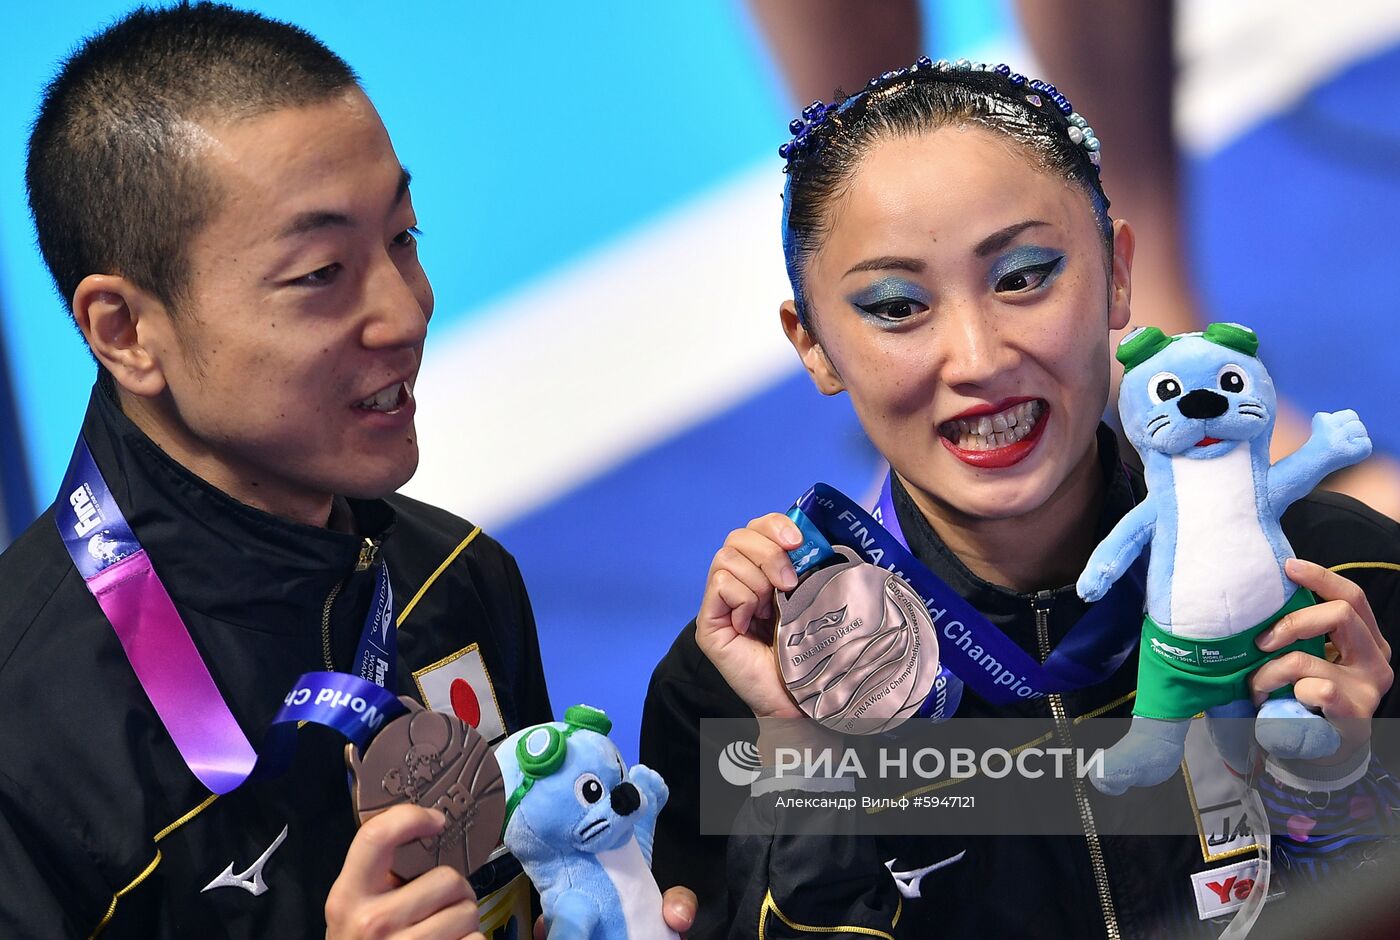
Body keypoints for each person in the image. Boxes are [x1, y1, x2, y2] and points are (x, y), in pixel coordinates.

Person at [641, 57, 1400, 938]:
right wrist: (811, 777)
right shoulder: (743, 685)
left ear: (1118, 274)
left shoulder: (1338, 578)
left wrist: (1346, 789)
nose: (979, 359)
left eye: (1023, 276)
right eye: (896, 306)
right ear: (812, 345)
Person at [0, 5, 700, 938]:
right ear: (127, 332)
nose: (405, 313)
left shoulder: (453, 576)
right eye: (322, 272)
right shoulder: (22, 745)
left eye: (404, 238)